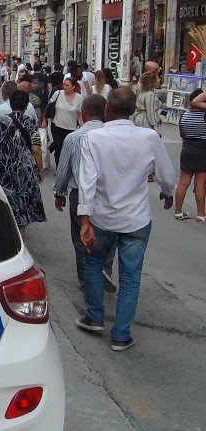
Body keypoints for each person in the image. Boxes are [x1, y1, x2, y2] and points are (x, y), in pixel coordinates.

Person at [76, 88, 177, 352]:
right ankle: (121, 334)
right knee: (131, 277)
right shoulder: (149, 137)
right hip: (135, 219)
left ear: (107, 107)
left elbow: (87, 181)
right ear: (134, 109)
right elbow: (167, 175)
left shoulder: (94, 137)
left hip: (102, 217)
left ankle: (95, 316)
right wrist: (168, 194)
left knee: (93, 262)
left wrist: (85, 219)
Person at [53, 94, 115, 290]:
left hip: (80, 194)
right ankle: (105, 266)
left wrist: (59, 192)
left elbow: (64, 169)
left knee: (80, 236)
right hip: (108, 193)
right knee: (107, 232)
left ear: (84, 113)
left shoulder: (74, 137)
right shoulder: (112, 135)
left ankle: (85, 277)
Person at [173, 89, 206, 221]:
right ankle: (201, 214)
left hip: (187, 148)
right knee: (200, 183)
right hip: (202, 149)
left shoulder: (185, 116)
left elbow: (182, 133)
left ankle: (178, 211)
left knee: (183, 181)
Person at [48, 78, 82, 166]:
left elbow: (80, 114)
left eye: (67, 85)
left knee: (68, 149)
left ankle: (66, 166)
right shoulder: (58, 94)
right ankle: (59, 169)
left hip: (71, 128)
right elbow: (49, 105)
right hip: (57, 125)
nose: (65, 87)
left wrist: (82, 127)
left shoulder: (79, 98)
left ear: (73, 87)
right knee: (59, 147)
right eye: (64, 85)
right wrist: (44, 119)